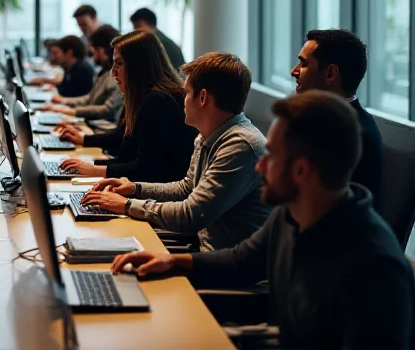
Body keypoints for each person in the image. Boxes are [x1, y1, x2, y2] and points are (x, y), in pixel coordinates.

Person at [111, 91, 414, 349]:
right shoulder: (291, 213)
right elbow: (243, 261)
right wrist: (174, 262)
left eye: (270, 156)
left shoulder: (374, 269)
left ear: (301, 171)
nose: (260, 168)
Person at [83, 52, 270, 251]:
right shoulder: (207, 136)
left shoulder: (240, 145)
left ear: (203, 97)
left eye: (187, 93)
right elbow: (187, 188)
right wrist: (134, 189)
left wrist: (127, 205)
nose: (183, 100)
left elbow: (191, 216)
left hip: (228, 271)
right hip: (203, 250)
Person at [58, 31, 196, 183]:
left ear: (138, 65)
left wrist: (93, 169)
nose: (113, 72)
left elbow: (145, 168)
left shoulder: (158, 101)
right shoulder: (139, 95)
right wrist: (84, 146)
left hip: (160, 195)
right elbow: (120, 139)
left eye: (119, 64)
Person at [291, 29, 383, 203]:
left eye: (303, 64)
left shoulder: (355, 135)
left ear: (330, 73)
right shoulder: (324, 120)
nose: (293, 71)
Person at [42, 24, 123, 122]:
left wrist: (70, 110)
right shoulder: (103, 72)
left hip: (101, 126)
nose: (93, 57)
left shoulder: (117, 76)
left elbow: (107, 110)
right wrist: (64, 101)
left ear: (102, 50)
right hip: (94, 123)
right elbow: (90, 97)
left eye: (94, 52)